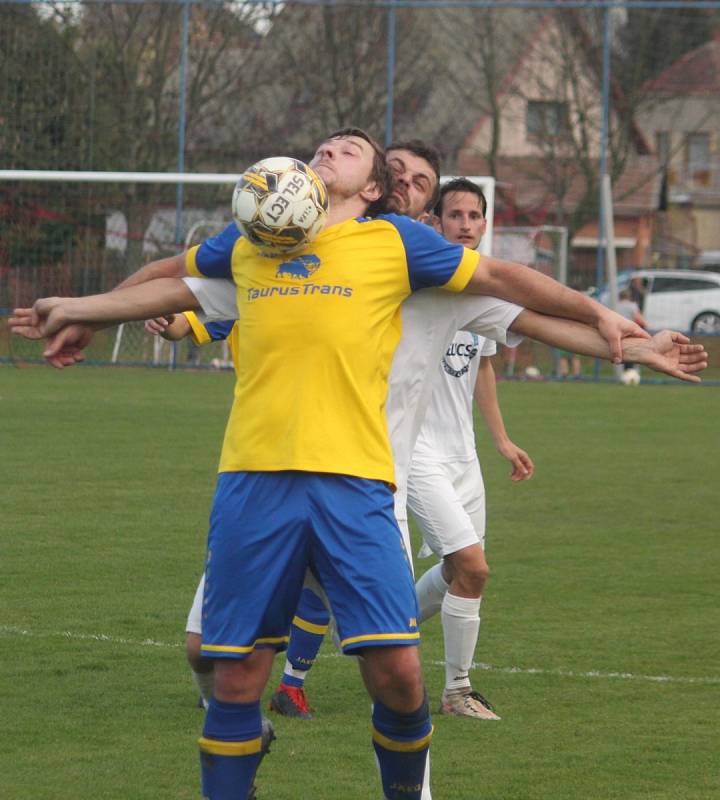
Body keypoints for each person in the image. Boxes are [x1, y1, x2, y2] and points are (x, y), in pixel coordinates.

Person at [11, 129, 706, 800]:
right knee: (208, 654)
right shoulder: (268, 244)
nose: (405, 185)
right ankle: (248, 729)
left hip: (371, 488)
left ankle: (417, 762)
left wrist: (630, 341)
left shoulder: (415, 263)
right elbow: (180, 280)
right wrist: (87, 311)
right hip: (263, 477)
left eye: (417, 182)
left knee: (398, 670)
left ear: (397, 201)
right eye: (395, 170)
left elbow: (522, 308)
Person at [148, 311, 329, 720]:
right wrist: (165, 319)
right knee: (199, 648)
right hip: (255, 475)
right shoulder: (244, 287)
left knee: (375, 632)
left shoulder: (342, 285)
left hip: (334, 471)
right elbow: (183, 324)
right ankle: (216, 702)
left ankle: (291, 687)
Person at [408, 178, 533, 721]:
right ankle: (457, 691)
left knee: (461, 571)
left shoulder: (484, 295)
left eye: (473, 215)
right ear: (435, 222)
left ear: (485, 224)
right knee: (475, 570)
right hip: (414, 452)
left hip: (463, 456)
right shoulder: (413, 283)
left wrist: (500, 439)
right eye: (453, 214)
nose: (465, 224)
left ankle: (376, 626)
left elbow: (482, 366)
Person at [617, 288, 649, 375]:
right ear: (629, 297)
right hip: (629, 333)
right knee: (631, 355)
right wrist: (646, 325)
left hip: (617, 334)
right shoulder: (632, 306)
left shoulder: (615, 305)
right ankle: (631, 374)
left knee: (621, 356)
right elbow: (639, 319)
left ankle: (623, 375)